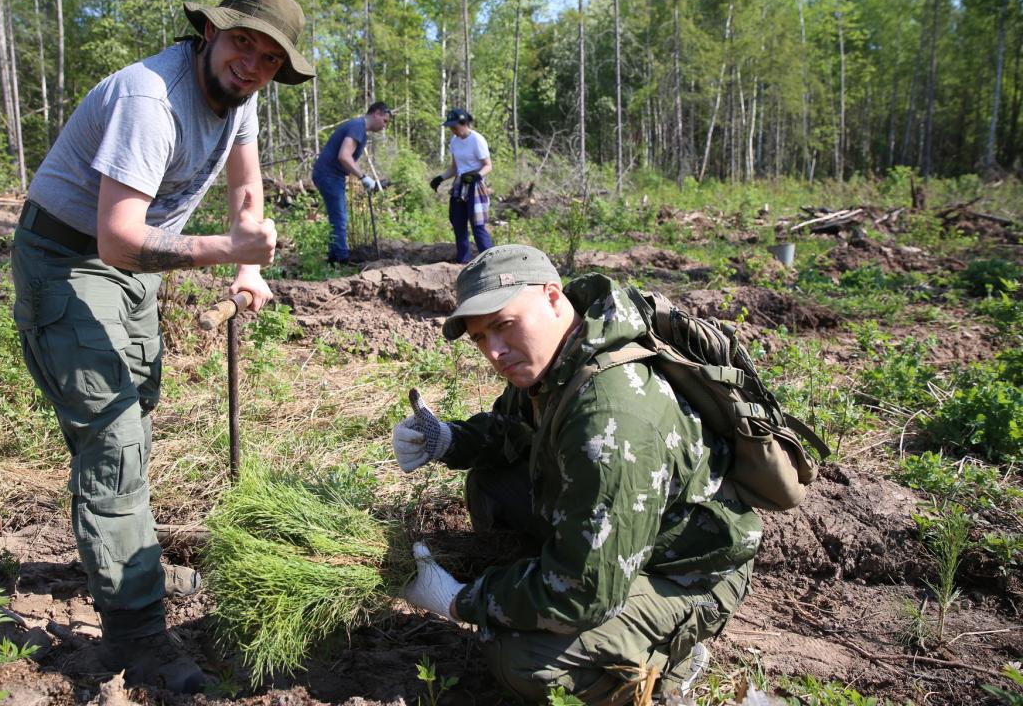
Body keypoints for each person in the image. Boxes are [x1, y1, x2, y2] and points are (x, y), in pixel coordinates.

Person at [10, 0, 315, 693]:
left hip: (134, 266)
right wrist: (222, 252)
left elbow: (246, 190)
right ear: (209, 32)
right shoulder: (149, 101)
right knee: (112, 436)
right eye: (244, 43)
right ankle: (137, 635)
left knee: (133, 411)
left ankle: (131, 560)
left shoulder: (243, 95)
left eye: (271, 58)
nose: (253, 65)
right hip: (69, 259)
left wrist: (249, 262)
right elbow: (117, 239)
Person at [391, 245, 759, 703]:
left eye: (503, 326)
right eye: (481, 338)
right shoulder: (565, 354)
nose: (495, 351)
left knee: (521, 659)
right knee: (490, 482)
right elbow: (514, 428)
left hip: (686, 573)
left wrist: (460, 601)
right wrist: (449, 439)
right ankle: (548, 577)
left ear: (552, 297)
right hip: (624, 537)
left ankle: (668, 662)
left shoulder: (611, 418)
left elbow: (585, 592)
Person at [311, 102, 393, 264]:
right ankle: (341, 259)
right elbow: (344, 156)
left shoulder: (358, 127)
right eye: (385, 121)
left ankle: (334, 258)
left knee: (338, 217)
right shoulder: (357, 127)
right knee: (340, 218)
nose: (385, 126)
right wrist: (363, 177)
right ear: (376, 113)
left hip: (331, 175)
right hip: (329, 175)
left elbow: (345, 158)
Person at [429, 108, 493, 263]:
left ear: (464, 123)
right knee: (458, 222)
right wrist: (440, 178)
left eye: (455, 127)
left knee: (477, 226)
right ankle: (463, 261)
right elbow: (455, 168)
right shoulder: (454, 141)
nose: (453, 130)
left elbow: (488, 165)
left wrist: (477, 175)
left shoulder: (477, 140)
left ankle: (491, 261)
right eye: (450, 127)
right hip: (460, 183)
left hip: (476, 185)